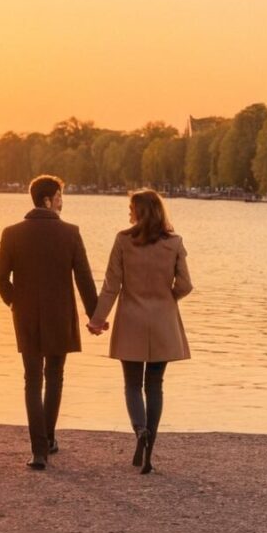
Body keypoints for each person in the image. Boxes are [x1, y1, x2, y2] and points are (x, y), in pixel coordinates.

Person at [0, 174, 99, 470]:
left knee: (31, 380)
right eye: (60, 197)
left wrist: (15, 301)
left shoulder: (12, 233)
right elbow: (84, 280)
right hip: (60, 315)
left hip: (26, 316)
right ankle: (49, 438)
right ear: (48, 200)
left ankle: (38, 450)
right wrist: (96, 316)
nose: (62, 203)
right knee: (55, 376)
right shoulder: (71, 233)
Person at [87, 189, 192, 474]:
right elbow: (185, 285)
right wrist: (167, 297)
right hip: (163, 323)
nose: (128, 213)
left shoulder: (123, 240)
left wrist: (97, 320)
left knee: (132, 385)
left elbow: (111, 286)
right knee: (154, 385)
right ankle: (150, 449)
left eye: (131, 208)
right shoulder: (174, 242)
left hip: (131, 321)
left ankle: (140, 430)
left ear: (138, 211)